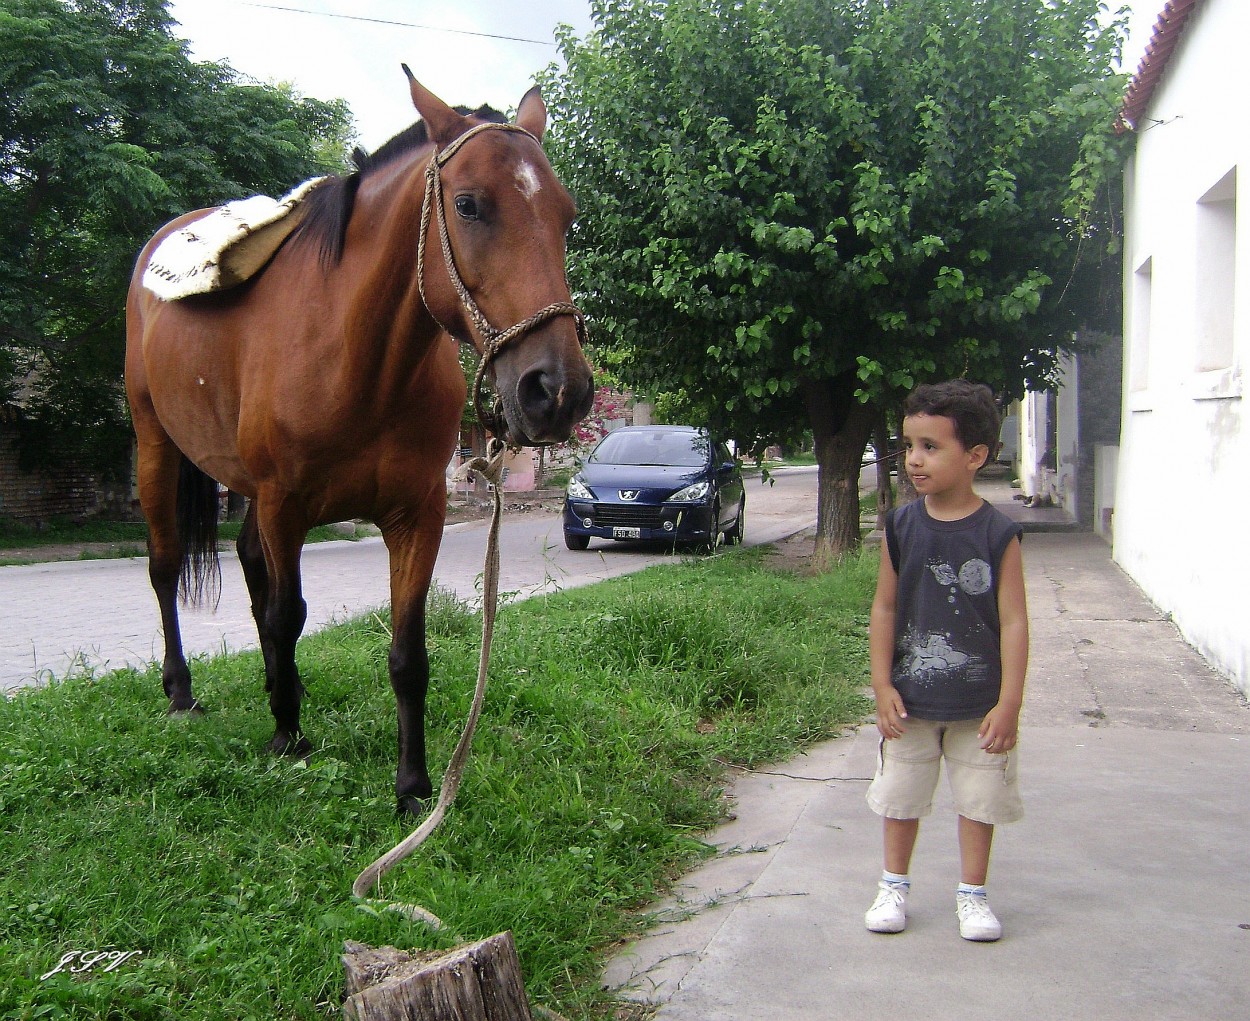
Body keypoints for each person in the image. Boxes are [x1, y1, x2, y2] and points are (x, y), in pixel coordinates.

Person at [864, 379, 1028, 942]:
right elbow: (885, 607)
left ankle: (973, 896)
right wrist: (882, 684)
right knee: (901, 796)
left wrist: (1009, 703)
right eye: (909, 444)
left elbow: (1014, 621)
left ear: (975, 456)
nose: (913, 459)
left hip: (979, 706)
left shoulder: (998, 533)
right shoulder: (901, 527)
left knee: (980, 799)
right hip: (908, 702)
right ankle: (893, 886)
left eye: (930, 446)